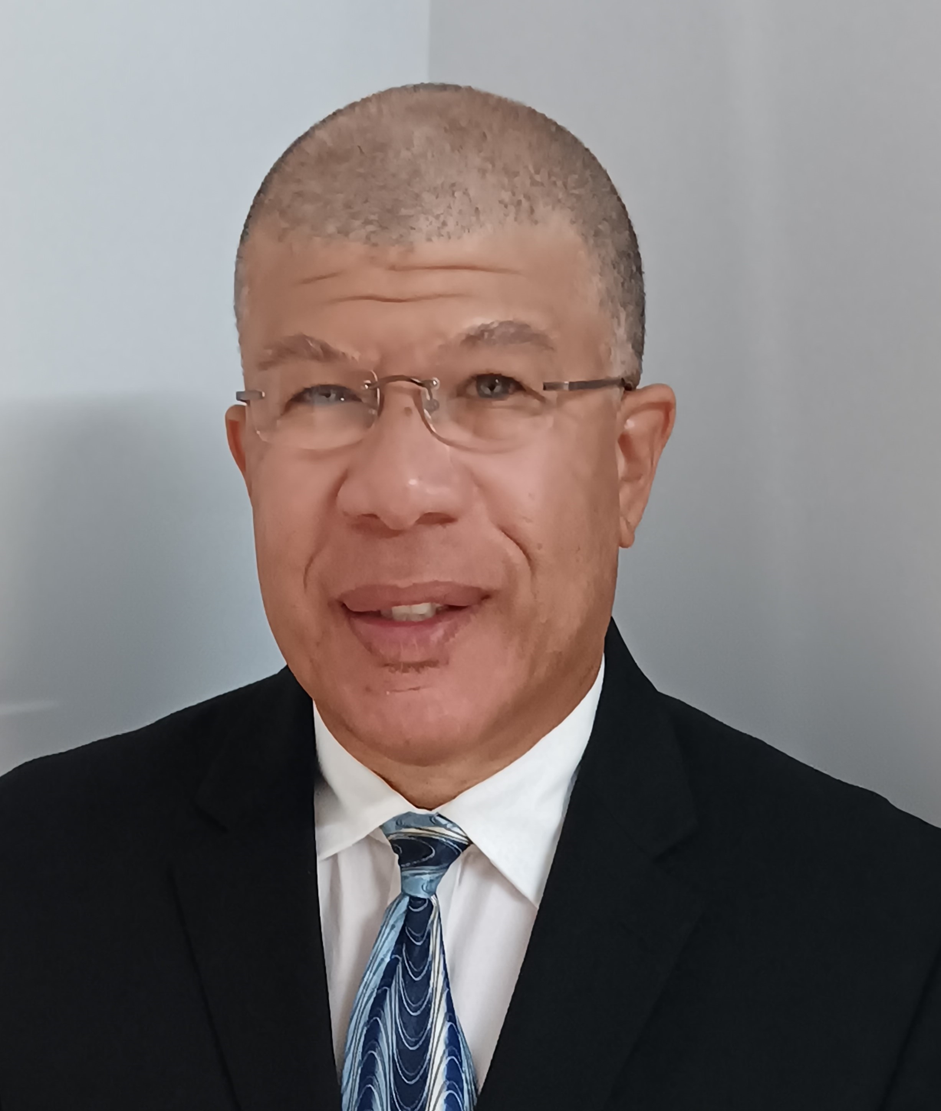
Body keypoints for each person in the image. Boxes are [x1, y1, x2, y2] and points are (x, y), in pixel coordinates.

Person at [1, 83, 939, 1111]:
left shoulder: (889, 939)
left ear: (628, 462)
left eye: (494, 386)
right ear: (249, 457)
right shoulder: (33, 877)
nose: (398, 491)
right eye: (322, 395)